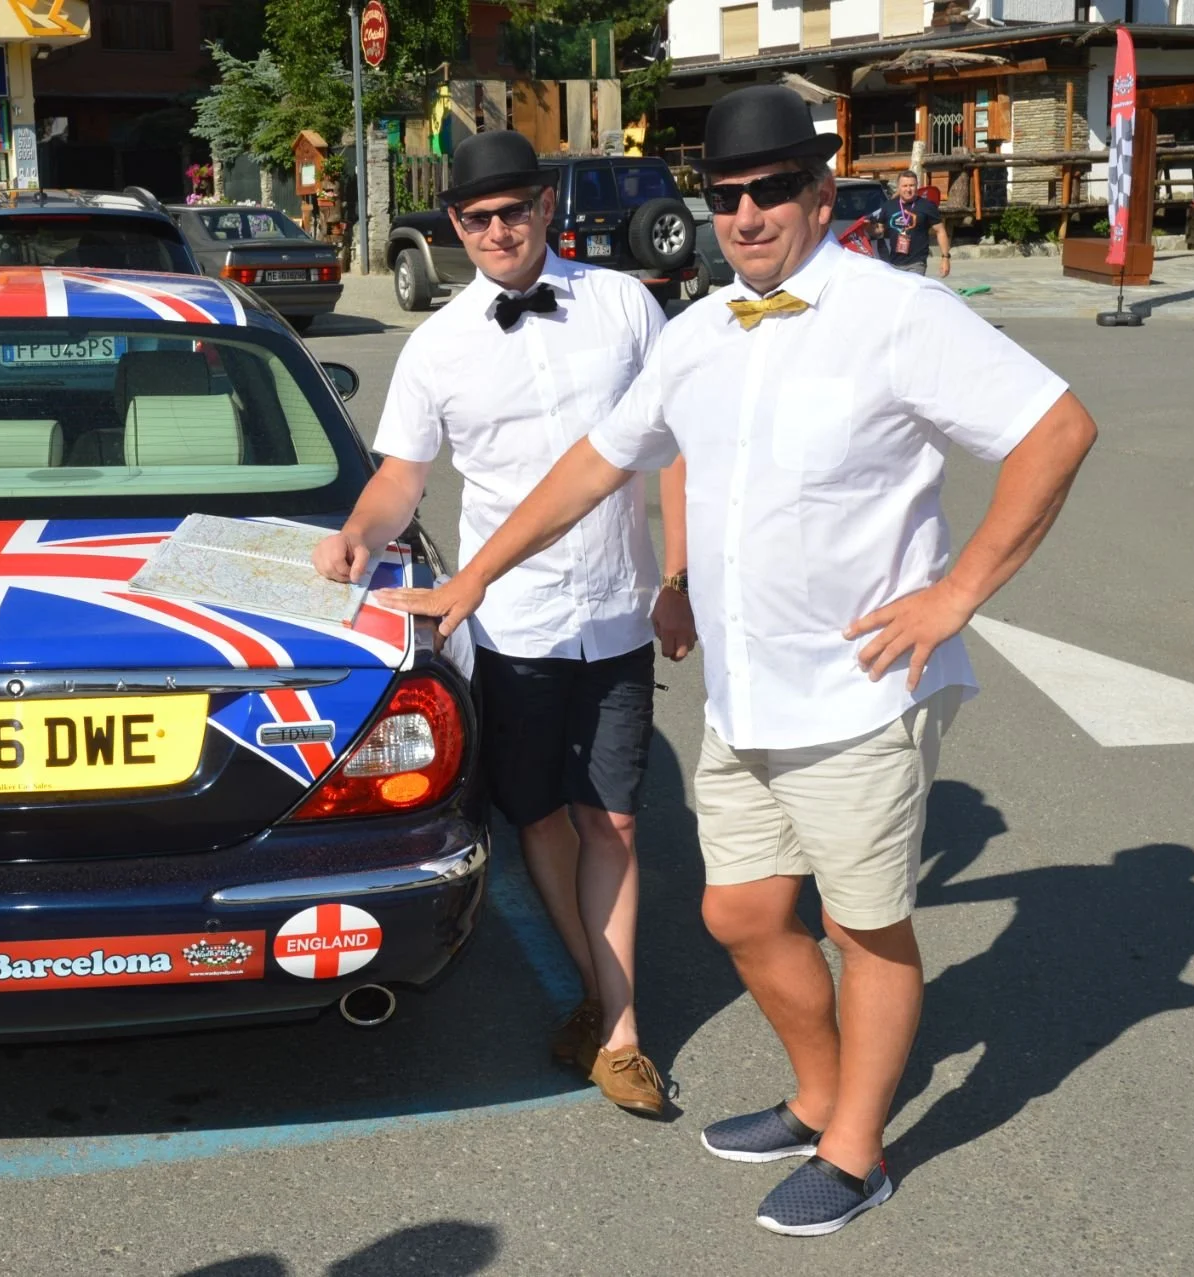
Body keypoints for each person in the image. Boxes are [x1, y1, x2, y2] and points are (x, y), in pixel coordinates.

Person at [376, 84, 1097, 1236]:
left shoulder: (895, 311)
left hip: (865, 692)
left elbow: (1055, 429)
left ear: (820, 194)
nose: (749, 213)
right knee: (744, 915)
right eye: (728, 195)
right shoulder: (702, 331)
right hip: (744, 696)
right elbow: (591, 469)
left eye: (772, 191)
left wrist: (956, 594)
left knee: (868, 929)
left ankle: (857, 1148)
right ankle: (819, 1091)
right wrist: (475, 576)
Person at [310, 131, 692, 1117]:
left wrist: (679, 574)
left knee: (610, 816)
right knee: (539, 819)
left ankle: (618, 1029)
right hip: (509, 619)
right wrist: (357, 531)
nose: (497, 231)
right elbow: (402, 476)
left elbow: (676, 446)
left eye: (512, 210)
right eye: (476, 218)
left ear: (545, 208)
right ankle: (605, 1001)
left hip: (614, 606)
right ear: (454, 227)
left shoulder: (626, 307)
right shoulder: (439, 346)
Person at [874, 170, 950, 278]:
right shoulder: (888, 206)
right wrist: (868, 228)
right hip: (892, 263)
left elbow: (940, 231)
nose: (908, 189)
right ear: (899, 187)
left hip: (916, 263)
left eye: (912, 185)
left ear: (917, 186)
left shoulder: (927, 206)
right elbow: (879, 230)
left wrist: (945, 258)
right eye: (905, 186)